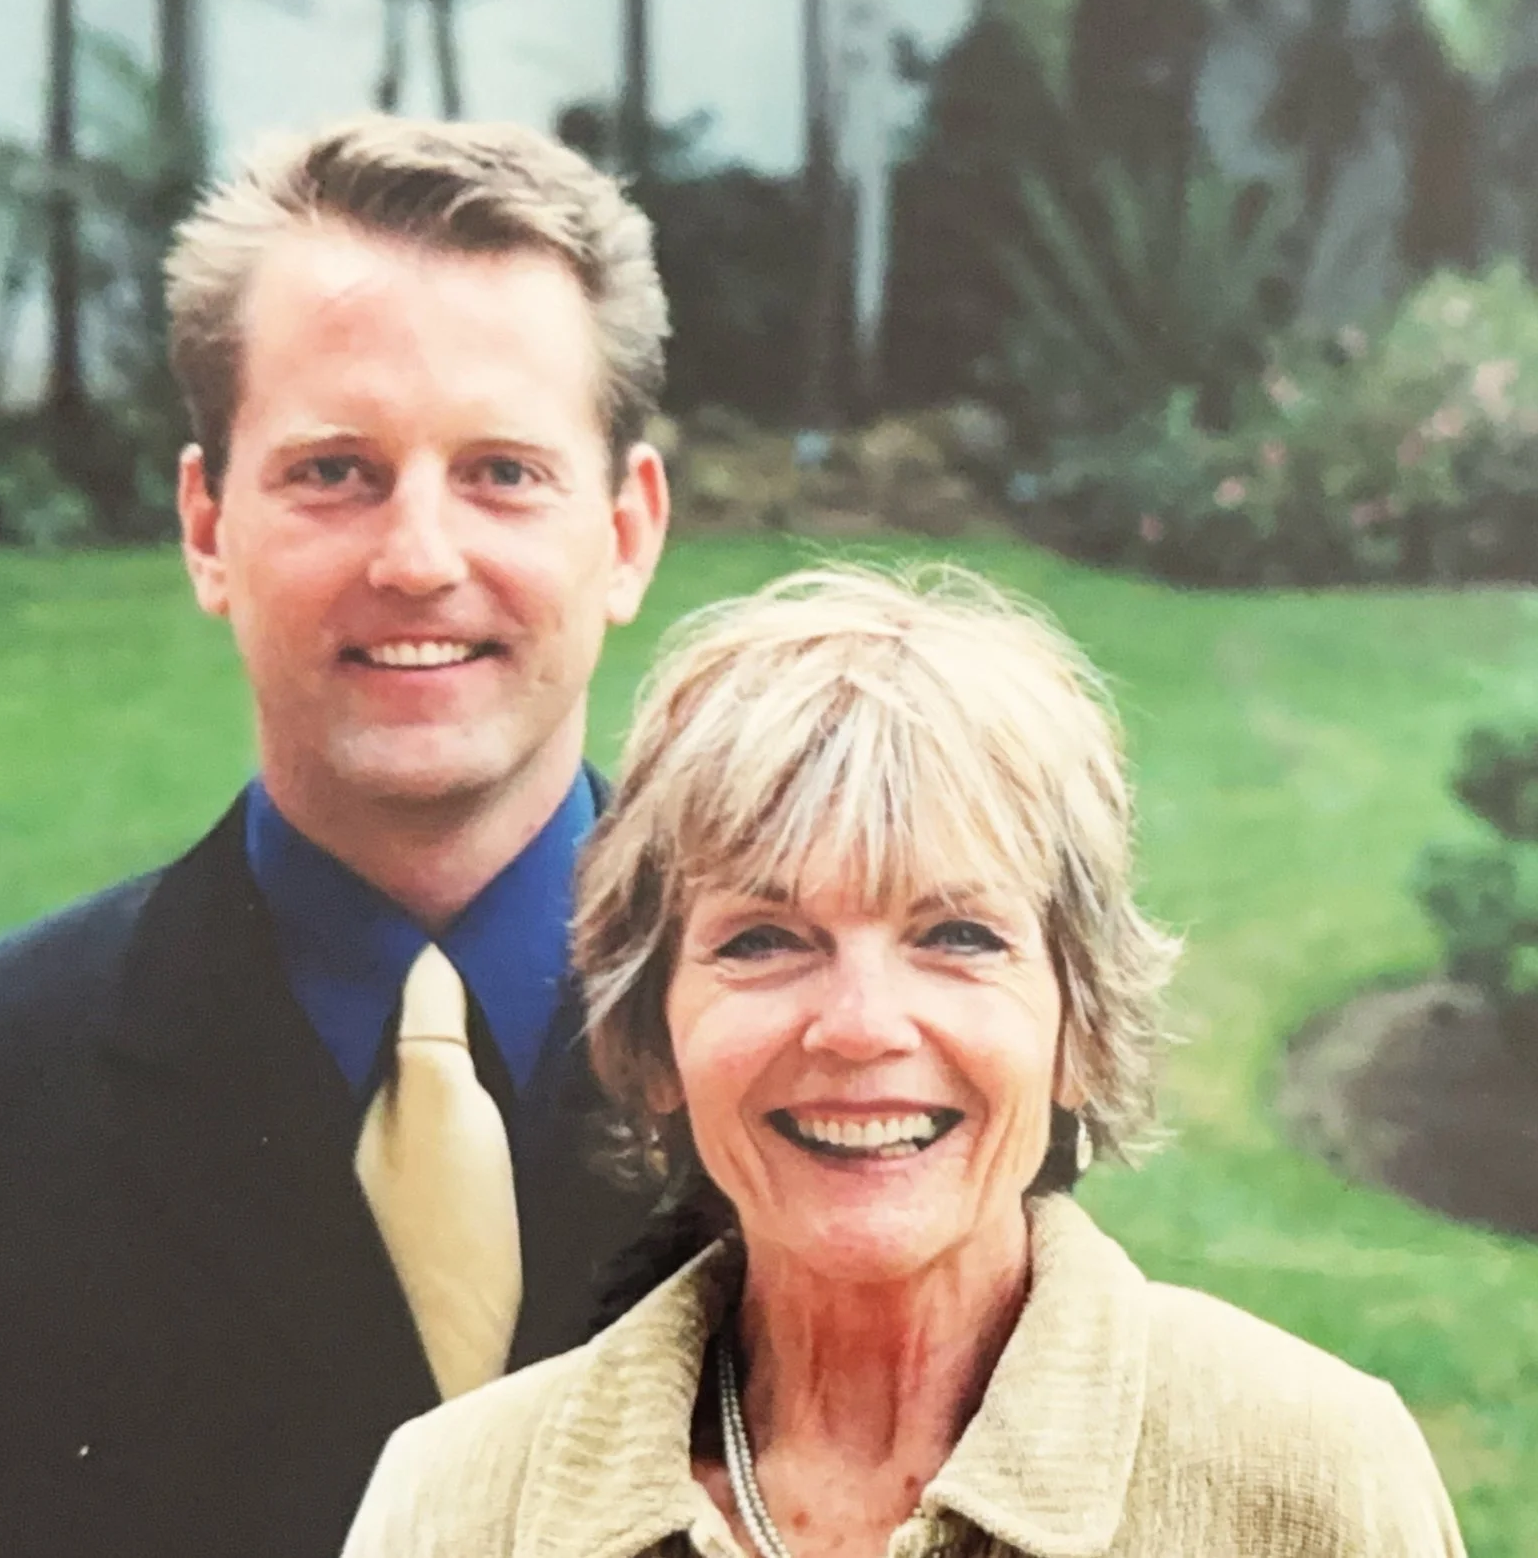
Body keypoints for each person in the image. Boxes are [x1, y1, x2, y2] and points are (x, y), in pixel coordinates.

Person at [0, 118, 672, 1558]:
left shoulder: (842, 1080)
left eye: (503, 471)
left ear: (630, 529)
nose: (419, 556)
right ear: (206, 525)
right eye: (335, 471)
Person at [338, 564, 1469, 1558]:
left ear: (1076, 1019)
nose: (861, 1024)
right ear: (653, 1032)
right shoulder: (455, 1507)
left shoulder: (1310, 1481)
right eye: (765, 940)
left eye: (957, 936)